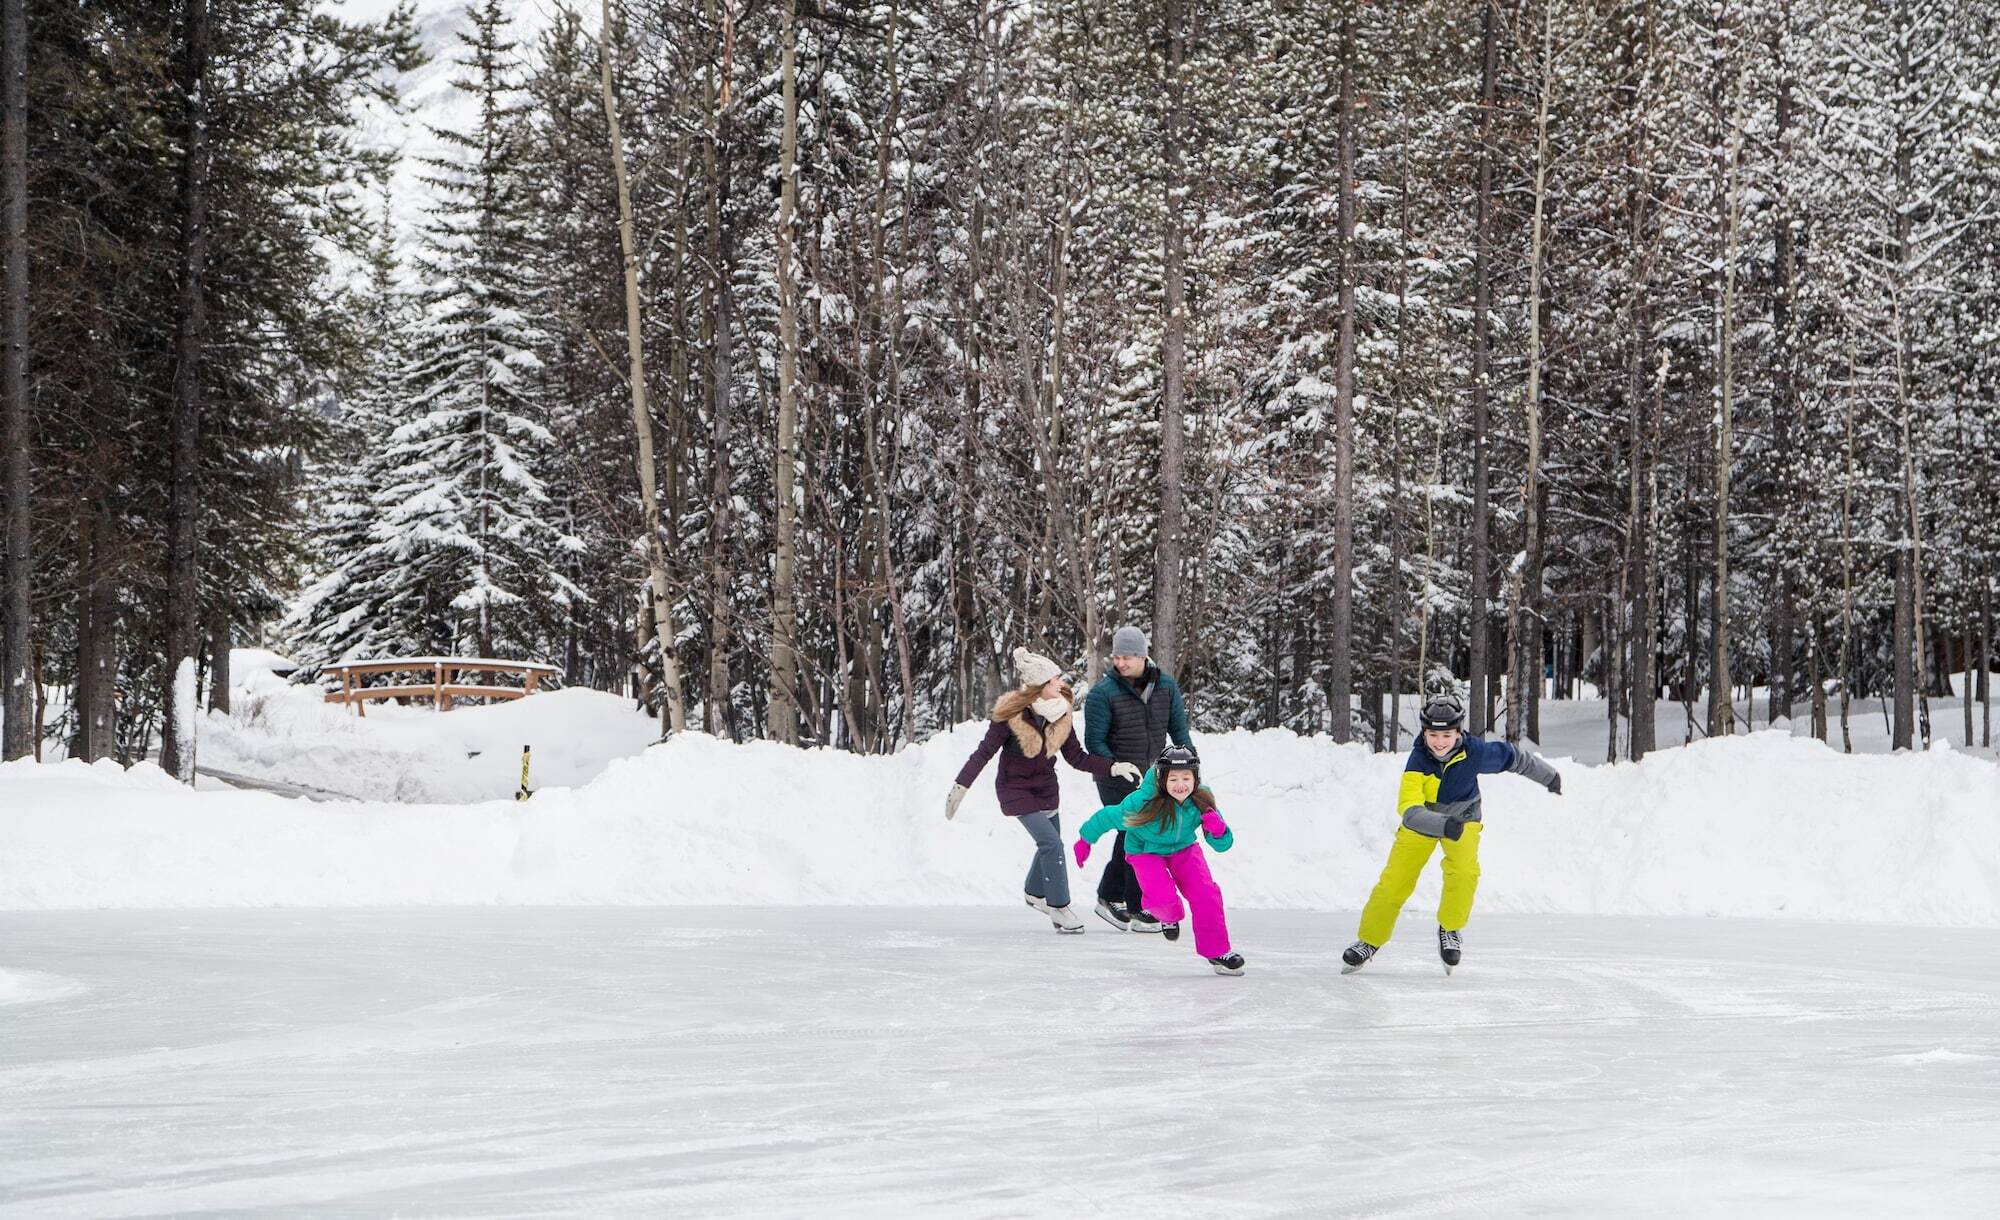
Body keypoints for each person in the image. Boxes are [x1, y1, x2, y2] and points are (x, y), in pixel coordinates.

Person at [1341, 692, 1563, 974]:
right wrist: (1442, 824)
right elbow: (1409, 810)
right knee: (1394, 882)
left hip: (1465, 816)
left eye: (1446, 735)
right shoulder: (1417, 761)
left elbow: (1515, 758)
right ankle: (1369, 941)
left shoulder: (1475, 752)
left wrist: (1549, 776)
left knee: (1465, 872)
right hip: (1421, 822)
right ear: (1424, 732)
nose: (1439, 742)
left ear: (1458, 732)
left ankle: (1450, 929)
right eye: (1433, 734)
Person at [948, 647, 1141, 933]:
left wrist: (1114, 767)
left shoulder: (1061, 713)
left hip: (1046, 790)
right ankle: (1060, 907)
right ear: (1039, 686)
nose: (1060, 684)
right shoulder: (1011, 714)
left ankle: (1034, 892)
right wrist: (960, 785)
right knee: (1052, 845)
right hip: (1015, 789)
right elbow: (983, 752)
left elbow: (1077, 758)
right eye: (1053, 681)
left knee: (1049, 843)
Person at [1074, 745, 1243, 974]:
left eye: (1186, 778)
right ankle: (1169, 916)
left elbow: (1222, 845)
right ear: (1162, 779)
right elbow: (1106, 817)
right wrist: (1085, 839)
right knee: (1162, 899)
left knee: (1206, 893)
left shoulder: (1201, 800)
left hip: (1184, 850)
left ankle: (1217, 951)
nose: (1180, 785)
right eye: (1173, 779)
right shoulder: (1142, 802)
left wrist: (1218, 830)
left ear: (1196, 778)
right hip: (1145, 851)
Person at [1081, 626, 1191, 932]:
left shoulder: (1166, 687)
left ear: (1143, 656)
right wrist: (1117, 766)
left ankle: (1110, 895)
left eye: (1127, 656)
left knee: (1131, 833)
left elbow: (1179, 732)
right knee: (1137, 832)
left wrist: (1189, 767)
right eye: (1116, 656)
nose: (1120, 662)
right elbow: (1095, 742)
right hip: (1114, 776)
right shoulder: (1102, 694)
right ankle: (1137, 905)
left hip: (1151, 776)